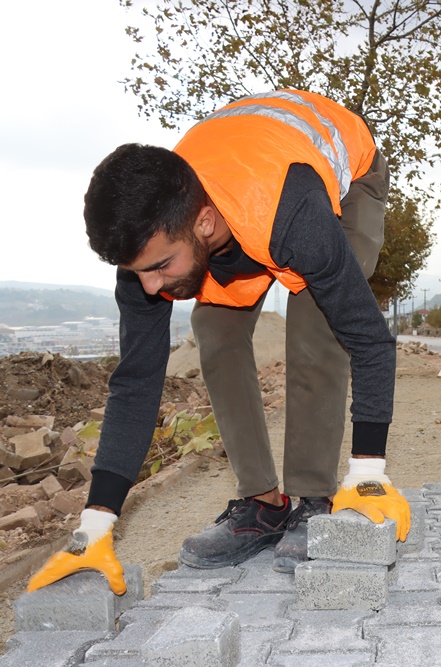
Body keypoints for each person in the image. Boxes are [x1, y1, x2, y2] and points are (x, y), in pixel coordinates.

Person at [28, 89, 410, 594]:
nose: (150, 287)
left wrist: (368, 471)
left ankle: (312, 500)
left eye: (161, 267)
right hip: (239, 185)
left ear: (203, 224)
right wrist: (94, 528)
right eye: (138, 272)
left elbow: (368, 337)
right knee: (215, 330)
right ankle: (262, 505)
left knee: (317, 323)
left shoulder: (296, 214)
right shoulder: (147, 255)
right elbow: (136, 384)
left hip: (347, 172)